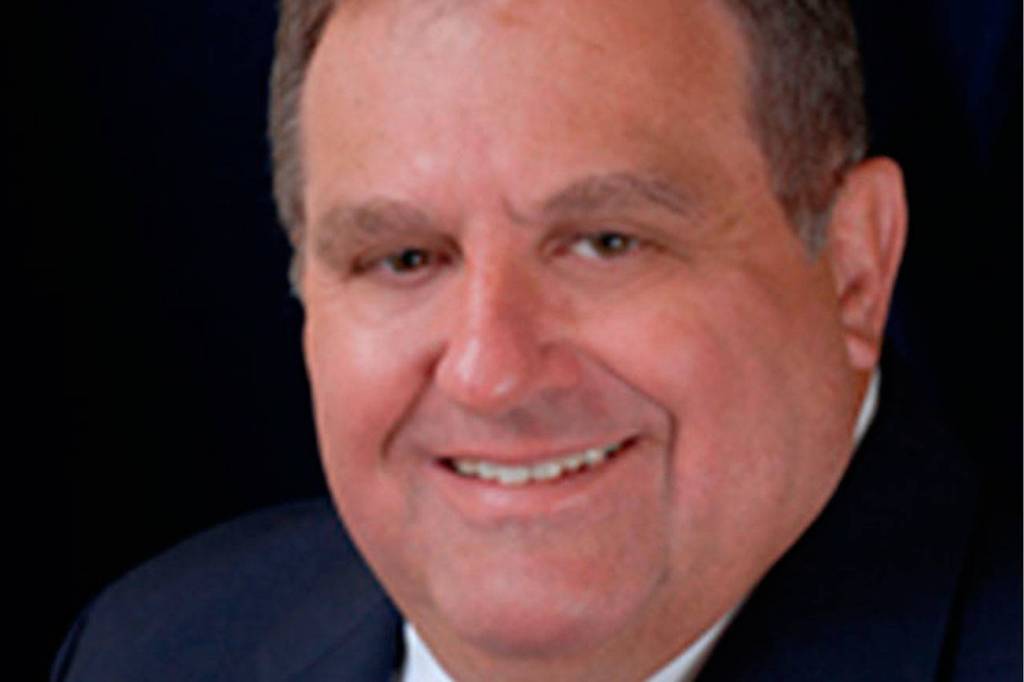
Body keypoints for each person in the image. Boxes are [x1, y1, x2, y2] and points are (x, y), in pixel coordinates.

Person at [51, 0, 1017, 680]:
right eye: (405, 258)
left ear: (855, 266)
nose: (490, 372)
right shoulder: (152, 649)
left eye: (606, 243)